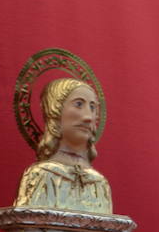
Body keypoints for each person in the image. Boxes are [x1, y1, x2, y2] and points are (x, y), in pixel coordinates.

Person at [14, 77, 113, 213]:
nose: (88, 117)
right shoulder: (42, 175)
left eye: (92, 107)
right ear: (55, 111)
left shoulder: (99, 183)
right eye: (78, 104)